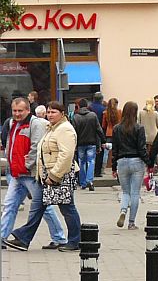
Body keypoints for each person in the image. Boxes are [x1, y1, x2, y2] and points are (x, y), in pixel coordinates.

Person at [6, 102, 82, 252]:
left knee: (67, 208)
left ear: (62, 113)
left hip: (61, 176)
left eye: (54, 112)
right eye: (48, 112)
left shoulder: (65, 129)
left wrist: (54, 175)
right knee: (38, 206)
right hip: (47, 176)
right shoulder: (51, 129)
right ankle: (23, 238)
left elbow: (66, 155)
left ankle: (75, 241)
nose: (50, 115)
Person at [111, 101, 151, 230]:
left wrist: (113, 166)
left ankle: (123, 210)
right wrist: (149, 162)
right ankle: (131, 222)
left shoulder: (117, 128)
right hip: (136, 161)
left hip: (122, 162)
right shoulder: (139, 128)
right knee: (135, 193)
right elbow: (142, 148)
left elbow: (115, 149)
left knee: (125, 192)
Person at [71, 97, 104, 192]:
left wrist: (74, 144)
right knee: (91, 161)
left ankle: (83, 183)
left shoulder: (75, 117)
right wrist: (103, 140)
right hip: (91, 142)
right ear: (87, 106)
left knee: (81, 162)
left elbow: (73, 132)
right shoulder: (93, 115)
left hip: (80, 143)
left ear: (78, 106)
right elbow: (98, 129)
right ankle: (90, 180)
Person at [101, 98, 120, 171]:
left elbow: (103, 125)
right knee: (118, 151)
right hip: (118, 133)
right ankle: (117, 167)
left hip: (109, 133)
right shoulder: (119, 111)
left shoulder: (105, 113)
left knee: (106, 152)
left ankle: (103, 168)